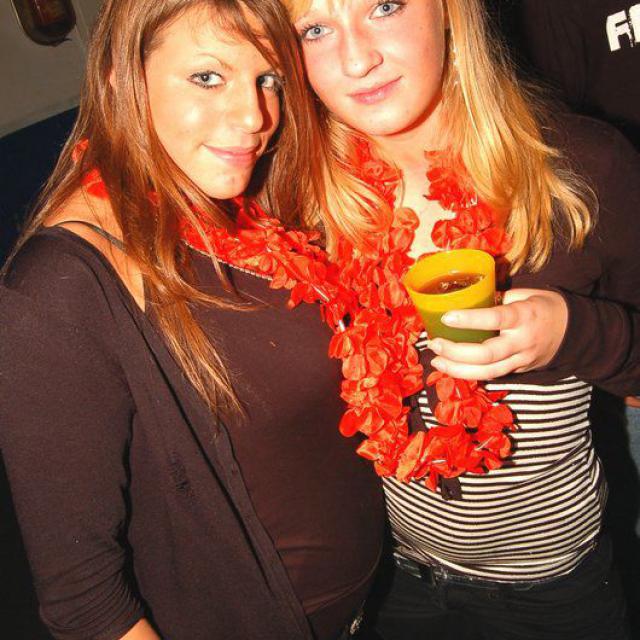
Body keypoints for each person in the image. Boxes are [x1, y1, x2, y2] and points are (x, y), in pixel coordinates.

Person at [0, 0, 386, 638]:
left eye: (268, 79)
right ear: (123, 80)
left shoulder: (225, 204)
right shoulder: (57, 288)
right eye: (208, 77)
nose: (254, 117)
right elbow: (86, 604)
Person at [281, 0, 640, 638]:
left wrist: (572, 332)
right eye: (315, 29)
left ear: (451, 10)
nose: (356, 59)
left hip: (556, 592)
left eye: (384, 6)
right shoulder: (297, 197)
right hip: (390, 582)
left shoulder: (581, 167)